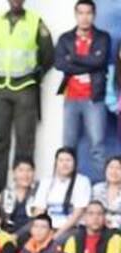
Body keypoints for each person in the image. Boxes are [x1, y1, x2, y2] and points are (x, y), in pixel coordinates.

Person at [0, 0, 54, 192]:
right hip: (1, 87)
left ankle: (21, 186)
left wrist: (34, 74)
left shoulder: (35, 22)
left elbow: (48, 55)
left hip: (25, 88)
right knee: (0, 138)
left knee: (25, 139)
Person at [55, 1, 109, 182]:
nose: (84, 17)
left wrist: (74, 59)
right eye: (81, 13)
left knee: (97, 146)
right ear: (75, 14)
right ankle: (66, 188)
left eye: (88, 13)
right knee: (68, 147)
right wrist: (87, 62)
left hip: (94, 98)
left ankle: (103, 188)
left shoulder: (103, 37)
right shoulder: (65, 39)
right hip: (70, 98)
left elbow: (99, 62)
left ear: (94, 15)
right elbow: (60, 64)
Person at [33, 147, 91, 243]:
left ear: (75, 163)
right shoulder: (46, 181)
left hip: (70, 228)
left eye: (68, 160)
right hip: (47, 228)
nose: (64, 164)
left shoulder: (82, 181)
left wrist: (55, 235)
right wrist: (42, 231)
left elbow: (77, 214)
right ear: (56, 163)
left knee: (54, 244)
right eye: (61, 160)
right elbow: (39, 209)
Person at [91, 155, 121, 228]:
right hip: (98, 228)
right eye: (111, 167)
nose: (114, 171)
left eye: (118, 168)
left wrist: (113, 223)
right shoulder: (96, 189)